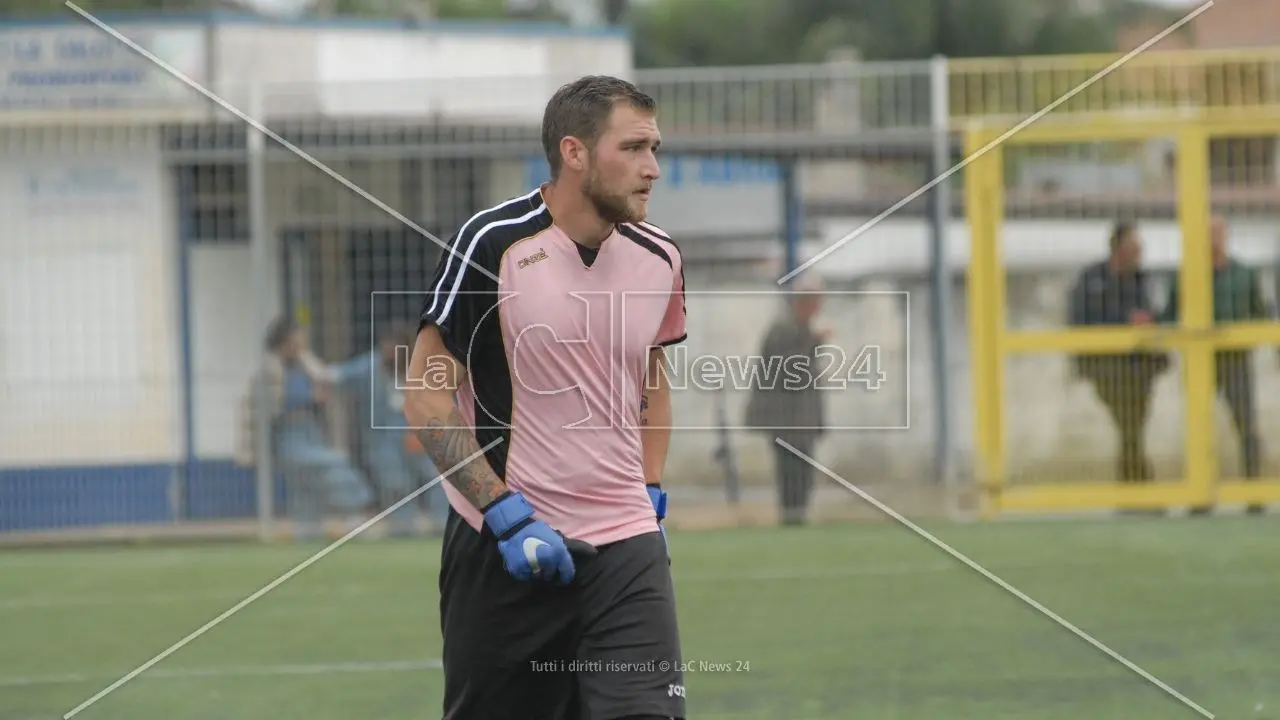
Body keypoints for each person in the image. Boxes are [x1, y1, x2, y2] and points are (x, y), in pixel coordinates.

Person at [404, 75, 687, 720]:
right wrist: (504, 515)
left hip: (627, 548)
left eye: (656, 149)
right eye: (635, 148)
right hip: (502, 547)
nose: (653, 169)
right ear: (575, 152)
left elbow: (653, 384)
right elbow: (426, 395)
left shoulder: (661, 257)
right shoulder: (492, 243)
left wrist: (648, 496)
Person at [1161, 215, 1269, 514]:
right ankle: (1201, 495)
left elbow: (1261, 313)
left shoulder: (1245, 274)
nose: (1214, 238)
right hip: (1199, 363)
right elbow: (1170, 314)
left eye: (1218, 233)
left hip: (1236, 359)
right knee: (1200, 428)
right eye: (1208, 233)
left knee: (1246, 425)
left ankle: (1254, 493)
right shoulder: (1186, 275)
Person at [237, 317, 371, 541]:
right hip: (288, 433)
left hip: (313, 429)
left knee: (306, 489)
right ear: (284, 341)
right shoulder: (269, 369)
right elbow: (268, 404)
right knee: (333, 462)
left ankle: (307, 532)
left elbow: (326, 380)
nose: (301, 343)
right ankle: (354, 510)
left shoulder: (306, 364)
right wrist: (309, 396)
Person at [1067, 221, 1169, 484]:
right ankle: (1138, 485)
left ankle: (1135, 486)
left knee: (1132, 427)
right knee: (1129, 426)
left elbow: (1157, 315)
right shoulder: (1092, 279)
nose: (1139, 251)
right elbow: (1080, 319)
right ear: (1119, 247)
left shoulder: (1142, 280)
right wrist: (1125, 320)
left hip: (1140, 367)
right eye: (1134, 246)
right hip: (1105, 367)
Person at [329, 321, 446, 538]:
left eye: (394, 346)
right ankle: (404, 528)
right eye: (386, 345)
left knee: (435, 478)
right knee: (395, 483)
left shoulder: (419, 367)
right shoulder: (371, 366)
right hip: (383, 439)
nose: (388, 351)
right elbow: (336, 375)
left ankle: (442, 526)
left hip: (416, 435)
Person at [743, 274, 829, 526]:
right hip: (786, 419)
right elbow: (791, 371)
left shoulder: (802, 330)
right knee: (791, 472)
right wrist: (815, 341)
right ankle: (791, 517)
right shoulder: (782, 330)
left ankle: (799, 515)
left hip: (802, 420)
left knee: (804, 472)